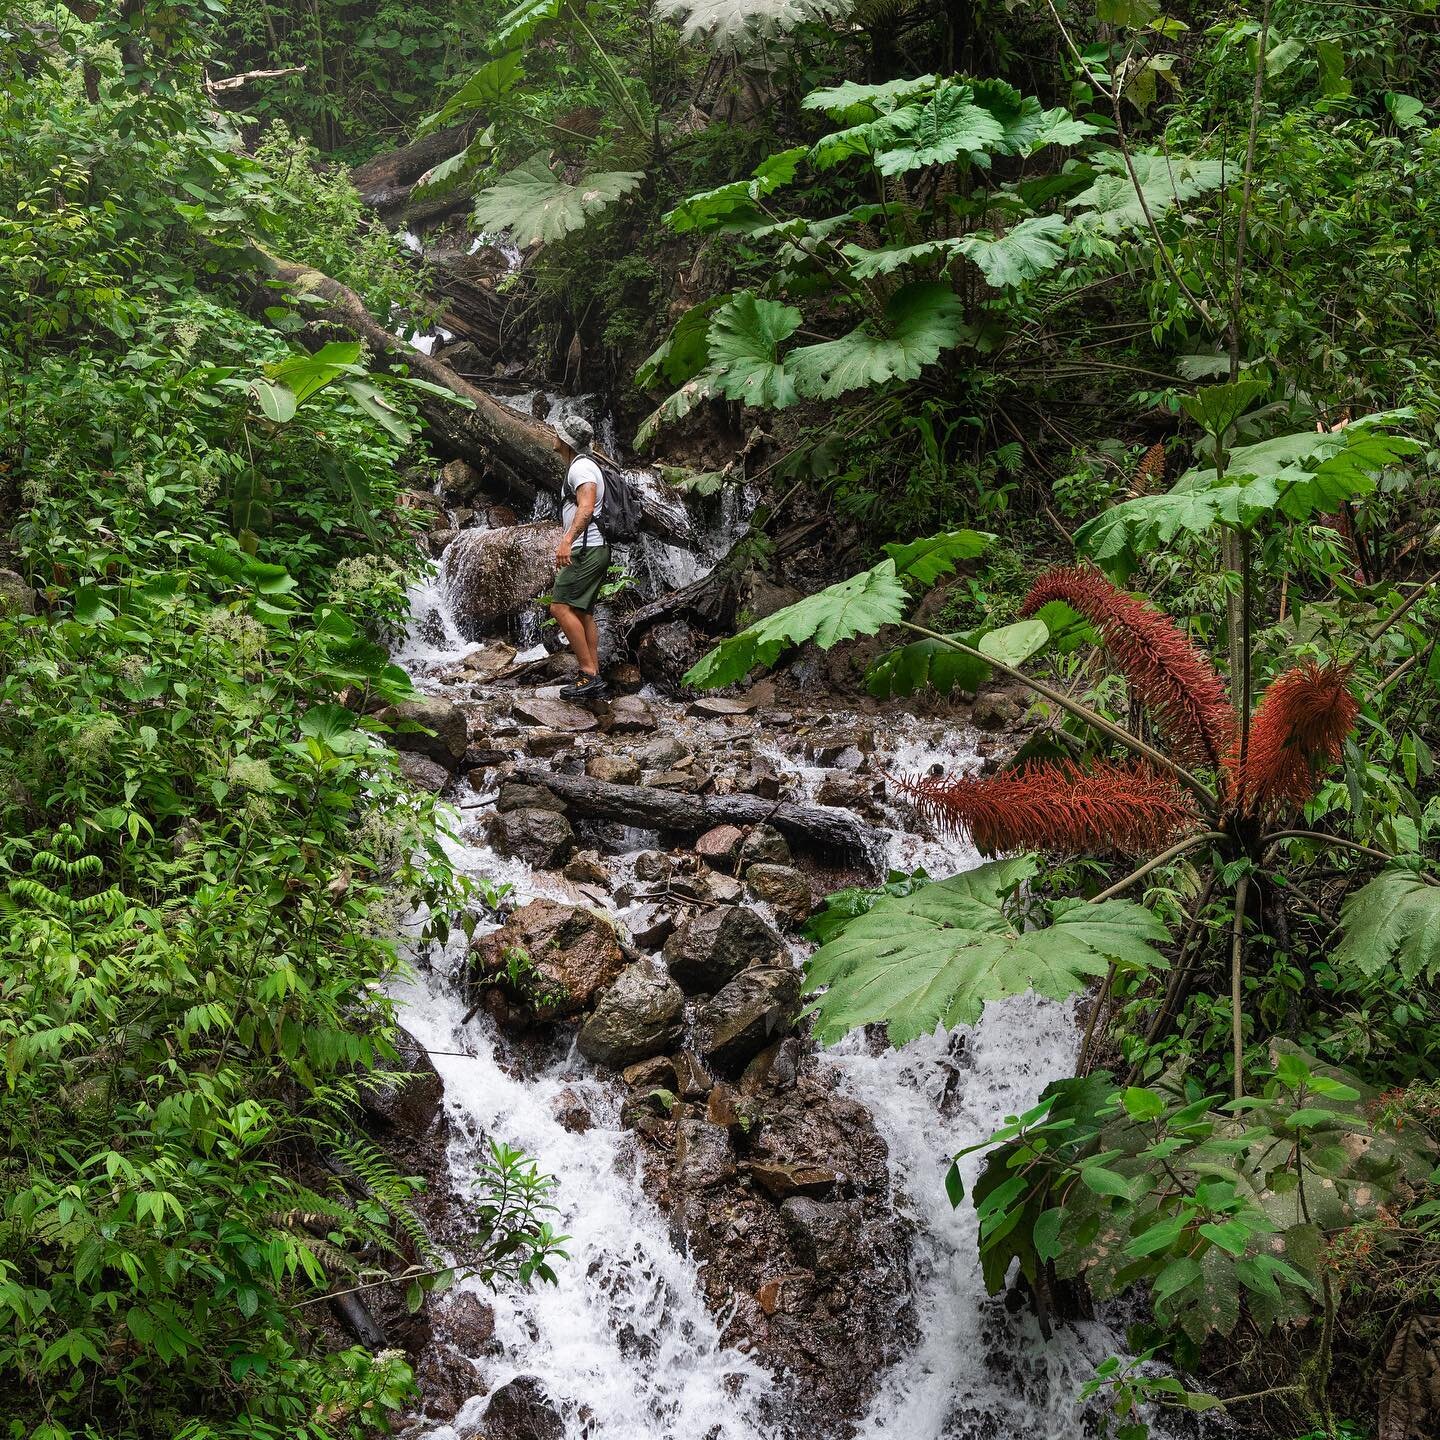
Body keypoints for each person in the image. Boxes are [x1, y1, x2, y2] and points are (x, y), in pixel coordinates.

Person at [549, 414, 611, 701]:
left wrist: (566, 541)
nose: (554, 436)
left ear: (566, 441)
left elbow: (586, 508)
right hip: (594, 548)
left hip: (585, 550)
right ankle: (593, 675)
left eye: (558, 433)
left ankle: (588, 673)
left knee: (560, 608)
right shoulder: (584, 465)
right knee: (583, 612)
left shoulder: (581, 468)